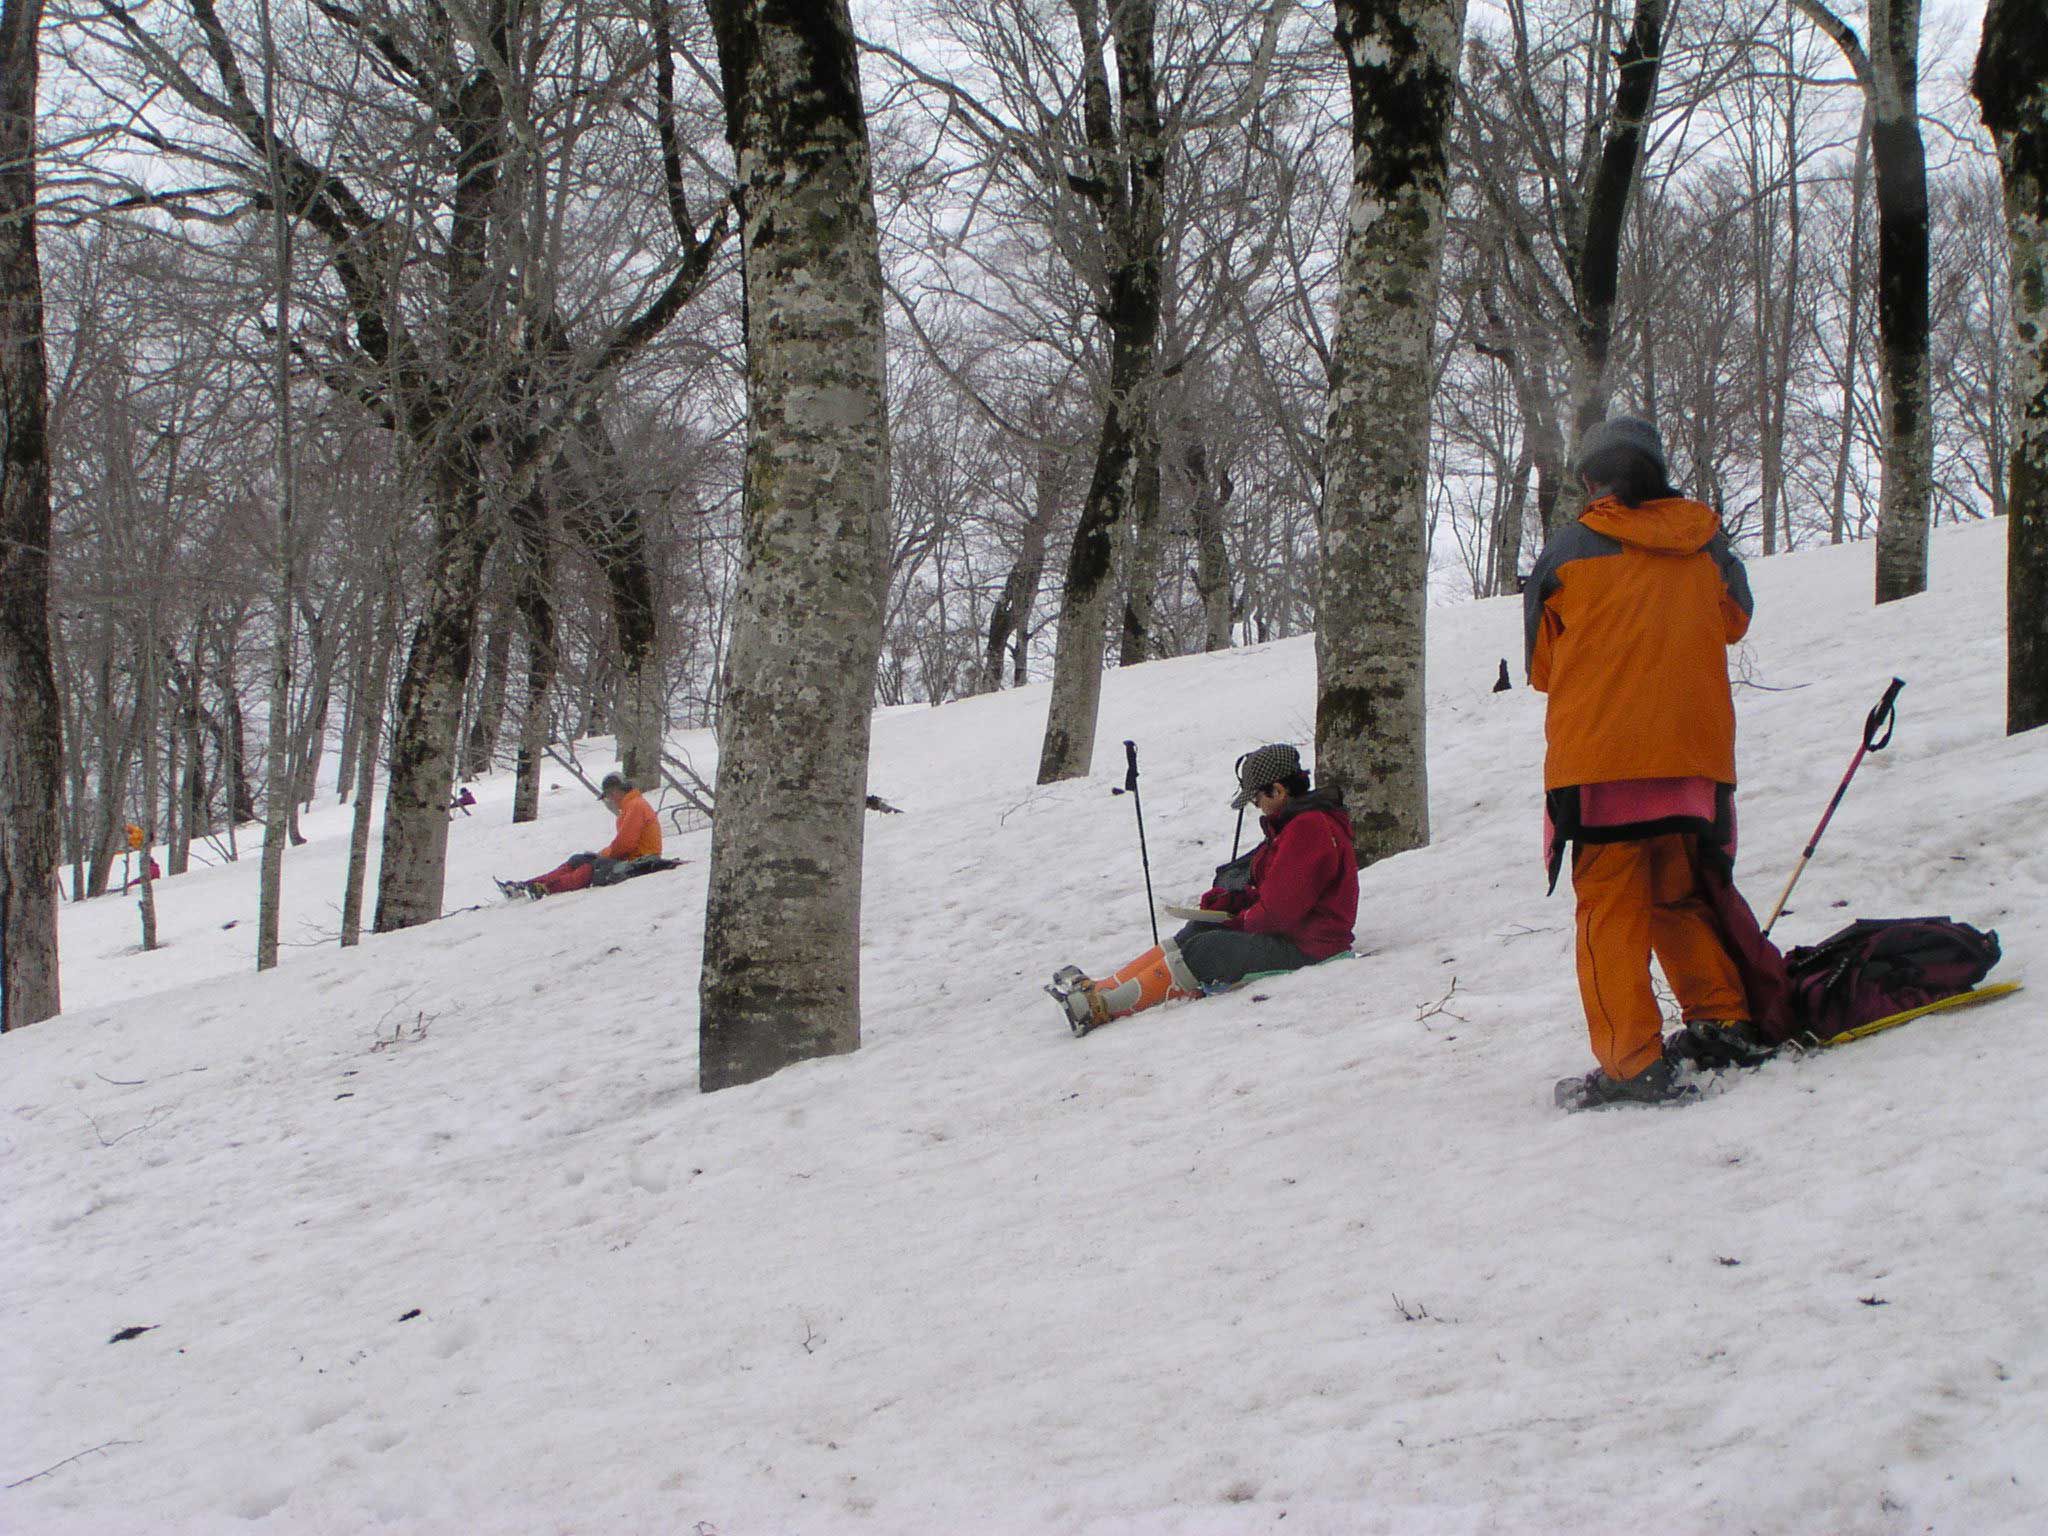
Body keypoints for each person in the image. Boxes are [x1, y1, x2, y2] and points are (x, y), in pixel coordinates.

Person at [1524, 415, 1758, 1111]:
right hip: (1695, 764)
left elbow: (1541, 668)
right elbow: (1735, 621)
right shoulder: (1706, 539)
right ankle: (1722, 1020)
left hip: (1601, 767)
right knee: (1678, 893)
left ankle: (1632, 1063)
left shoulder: (1566, 551)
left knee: (1610, 913)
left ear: (1591, 479)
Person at [1049, 744, 1358, 1034]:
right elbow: (1279, 891)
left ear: (1277, 790)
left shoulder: (1308, 828)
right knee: (1199, 927)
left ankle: (1106, 1008)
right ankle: (1104, 988)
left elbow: (1279, 912)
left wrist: (1235, 919)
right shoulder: (1293, 825)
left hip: (1311, 947)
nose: (1257, 807)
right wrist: (1233, 902)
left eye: (1257, 799)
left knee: (1207, 949)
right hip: (1294, 934)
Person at [505, 772, 663, 899]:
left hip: (642, 860)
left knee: (591, 868)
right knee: (577, 860)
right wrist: (602, 853)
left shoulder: (635, 806)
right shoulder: (631, 806)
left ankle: (546, 888)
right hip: (634, 857)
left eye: (608, 795)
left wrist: (604, 855)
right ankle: (529, 884)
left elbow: (625, 844)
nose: (610, 800)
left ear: (615, 792)